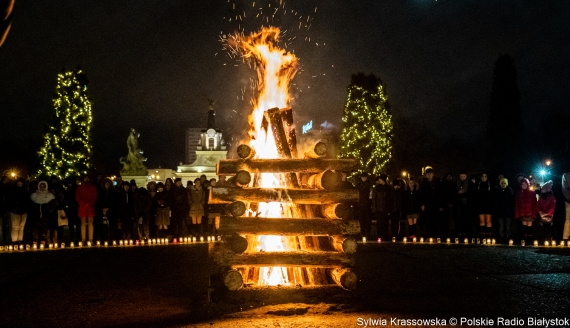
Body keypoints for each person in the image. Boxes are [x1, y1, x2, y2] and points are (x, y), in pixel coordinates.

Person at [29, 181, 55, 246]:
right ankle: (35, 242)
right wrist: (33, 211)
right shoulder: (34, 196)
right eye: (41, 186)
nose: (42, 187)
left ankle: (43, 242)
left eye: (44, 186)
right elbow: (31, 205)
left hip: (45, 215)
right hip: (36, 215)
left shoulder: (50, 196)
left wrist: (49, 211)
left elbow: (53, 204)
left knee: (44, 229)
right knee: (35, 229)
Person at [419, 168, 443, 237]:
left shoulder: (437, 183)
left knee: (435, 221)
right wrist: (422, 204)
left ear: (433, 174)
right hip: (427, 205)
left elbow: (440, 195)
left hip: (435, 205)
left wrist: (441, 205)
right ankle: (428, 236)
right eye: (427, 174)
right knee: (427, 221)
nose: (429, 175)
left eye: (430, 174)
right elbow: (421, 195)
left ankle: (435, 236)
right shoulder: (423, 183)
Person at [75, 175, 98, 243]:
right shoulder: (79, 187)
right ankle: (83, 239)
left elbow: (95, 196)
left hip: (90, 207)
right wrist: (84, 203)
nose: (86, 179)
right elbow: (77, 197)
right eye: (85, 178)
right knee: (83, 223)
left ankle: (90, 239)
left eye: (88, 177)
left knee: (91, 223)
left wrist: (88, 203)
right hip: (83, 207)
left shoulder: (93, 187)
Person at [7, 177, 28, 245]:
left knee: (21, 227)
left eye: (21, 182)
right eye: (18, 182)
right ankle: (14, 241)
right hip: (15, 211)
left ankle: (20, 240)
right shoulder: (12, 191)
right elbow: (10, 201)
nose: (19, 183)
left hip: (23, 211)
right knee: (15, 227)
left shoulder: (25, 192)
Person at [494, 178, 514, 243]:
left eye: (504, 183)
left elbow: (511, 201)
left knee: (508, 226)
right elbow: (496, 201)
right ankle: (501, 237)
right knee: (501, 225)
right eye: (502, 183)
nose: (503, 184)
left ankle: (507, 236)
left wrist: (509, 209)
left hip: (508, 212)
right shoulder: (498, 191)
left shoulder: (509, 191)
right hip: (500, 211)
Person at [372, 174, 390, 240]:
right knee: (379, 224)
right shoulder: (377, 188)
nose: (379, 181)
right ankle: (379, 236)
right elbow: (374, 198)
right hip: (379, 209)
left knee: (385, 224)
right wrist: (374, 208)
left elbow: (389, 199)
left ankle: (385, 237)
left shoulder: (388, 188)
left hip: (385, 209)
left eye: (380, 179)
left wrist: (389, 210)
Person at [97, 178, 117, 242]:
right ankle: (104, 238)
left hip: (111, 211)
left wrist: (109, 207)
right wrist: (103, 208)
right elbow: (99, 201)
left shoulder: (113, 192)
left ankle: (111, 238)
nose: (107, 185)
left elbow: (114, 201)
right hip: (102, 211)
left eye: (108, 184)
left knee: (111, 226)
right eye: (106, 184)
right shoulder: (101, 192)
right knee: (103, 225)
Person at [475, 173, 493, 238]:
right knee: (481, 220)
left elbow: (492, 196)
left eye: (485, 176)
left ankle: (488, 234)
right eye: (482, 176)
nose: (484, 178)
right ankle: (482, 234)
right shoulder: (478, 185)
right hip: (480, 205)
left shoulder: (490, 184)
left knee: (488, 220)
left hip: (488, 205)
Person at [356, 172, 373, 239]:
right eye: (363, 177)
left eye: (365, 177)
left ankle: (368, 232)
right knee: (361, 220)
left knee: (368, 220)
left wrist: (370, 203)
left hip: (367, 205)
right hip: (360, 205)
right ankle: (363, 232)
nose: (364, 179)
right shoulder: (358, 185)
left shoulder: (369, 185)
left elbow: (371, 196)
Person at [455, 171, 470, 238]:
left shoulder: (469, 183)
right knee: (459, 219)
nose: (462, 178)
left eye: (464, 176)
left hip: (467, 204)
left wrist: (463, 193)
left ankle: (466, 232)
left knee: (466, 219)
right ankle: (459, 232)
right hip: (459, 204)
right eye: (461, 176)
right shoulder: (456, 183)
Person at [562, 168, 570, 241]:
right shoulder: (566, 175)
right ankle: (566, 237)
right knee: (568, 219)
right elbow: (565, 190)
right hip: (569, 201)